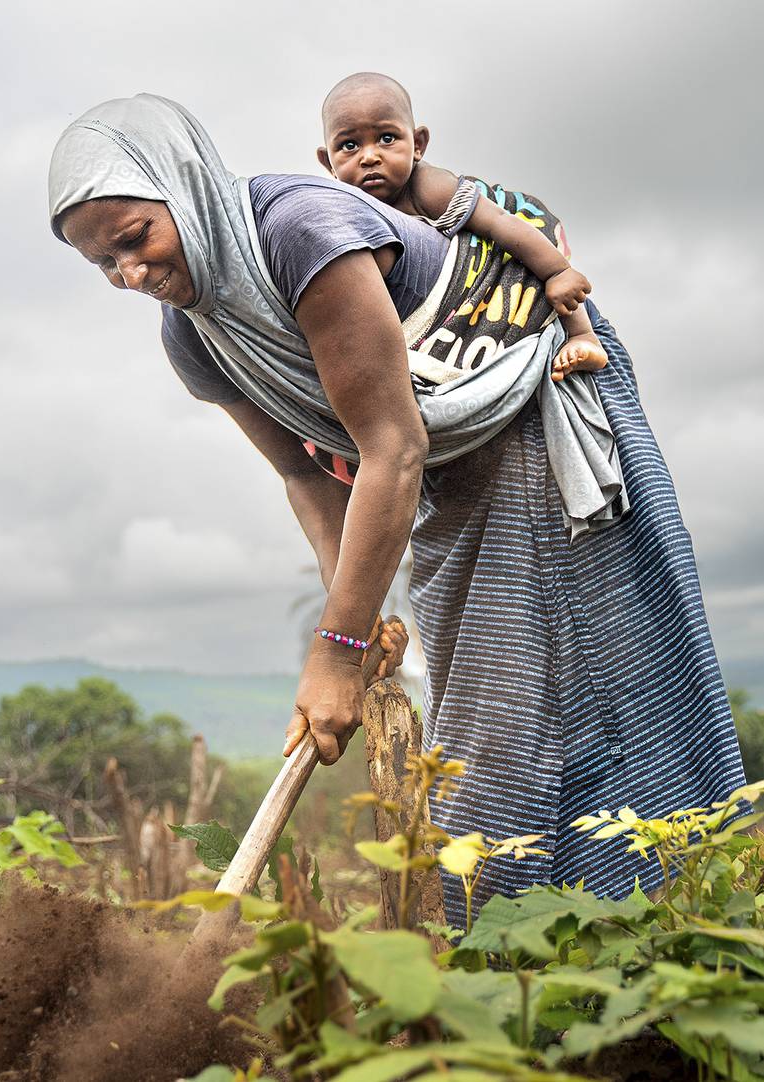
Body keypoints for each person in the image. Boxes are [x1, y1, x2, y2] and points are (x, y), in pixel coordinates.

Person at [49, 93, 746, 925]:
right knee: (487, 696)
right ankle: (547, 941)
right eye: (103, 265)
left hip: (531, 399)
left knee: (544, 693)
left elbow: (390, 448)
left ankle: (608, 932)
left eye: (134, 241)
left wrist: (337, 653)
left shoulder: (299, 231)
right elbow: (307, 476)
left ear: (184, 187)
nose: (131, 275)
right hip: (449, 462)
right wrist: (361, 609)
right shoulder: (196, 335)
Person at [316, 72, 607, 383]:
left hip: (501, 242)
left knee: (539, 278)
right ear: (328, 162)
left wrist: (557, 272)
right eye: (349, 145)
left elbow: (499, 223)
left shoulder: (428, 187)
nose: (370, 156)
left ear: (418, 144)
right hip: (436, 294)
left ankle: (583, 335)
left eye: (387, 138)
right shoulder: (345, 211)